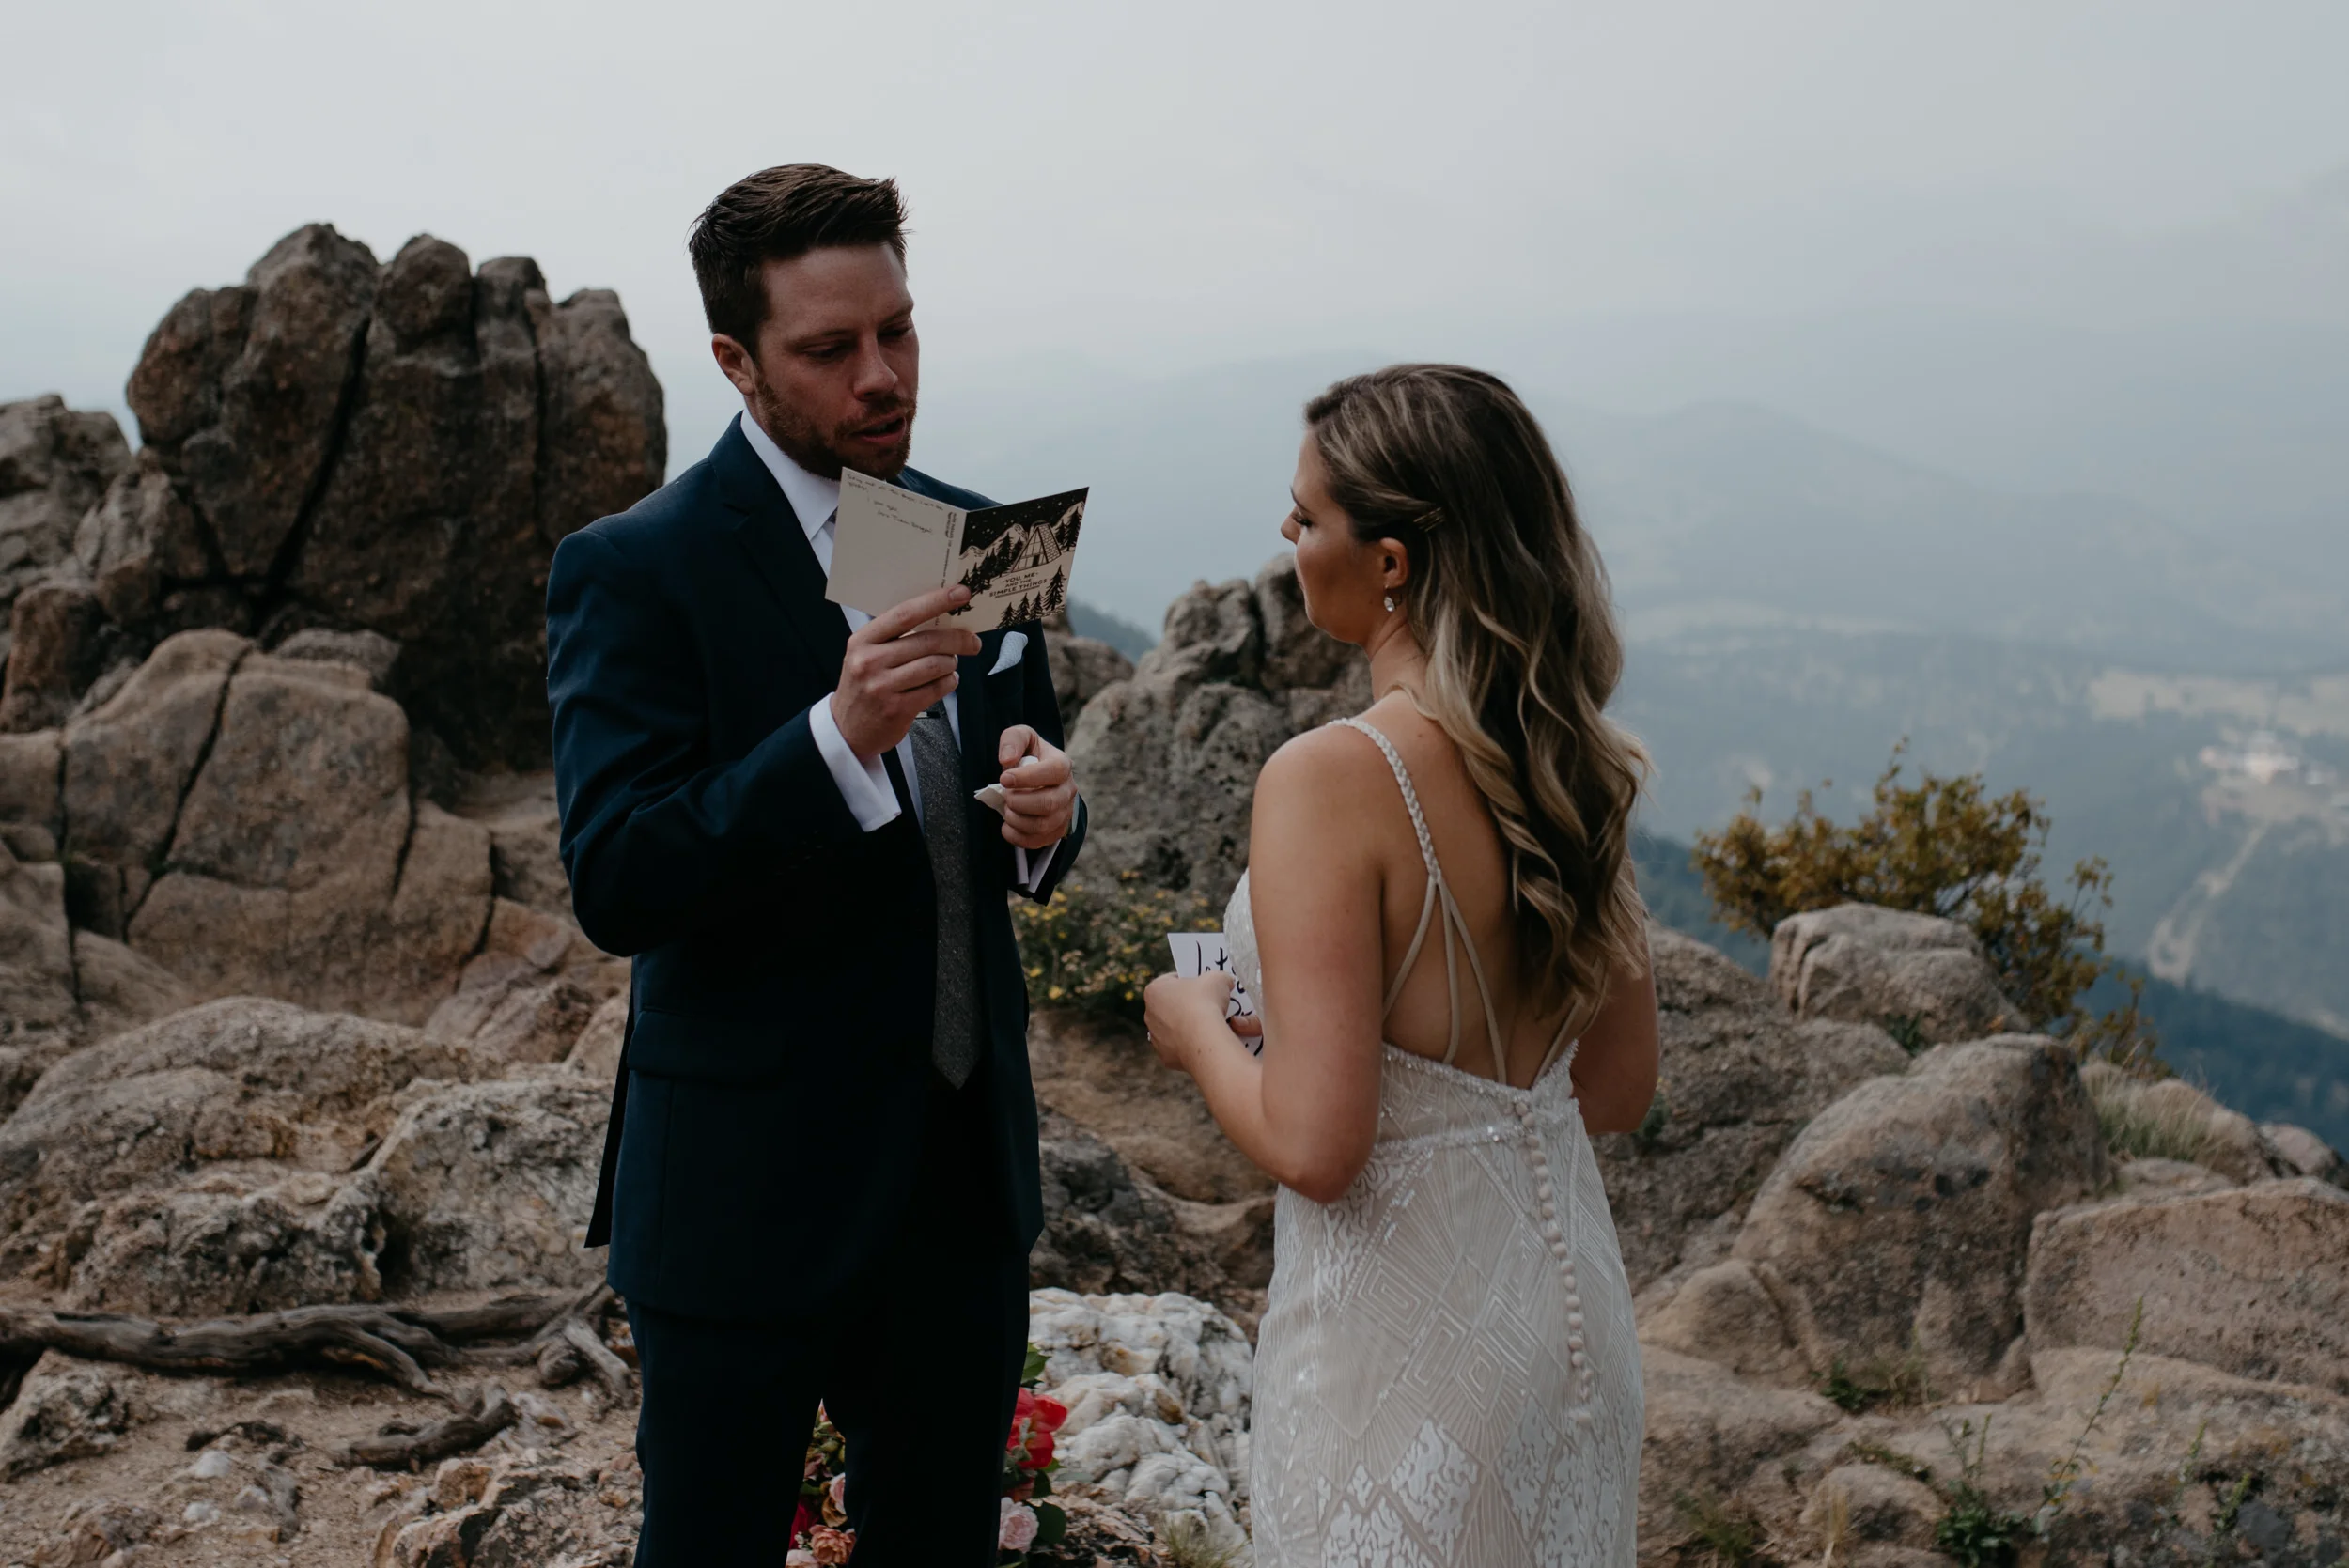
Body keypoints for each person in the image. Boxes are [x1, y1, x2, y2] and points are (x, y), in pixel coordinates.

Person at [546, 164, 1086, 1566]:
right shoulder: (635, 568)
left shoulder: (977, 529)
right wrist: (834, 737)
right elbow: (617, 876)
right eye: (831, 349)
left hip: (963, 1186)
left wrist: (1043, 818)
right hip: (744, 1195)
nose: (884, 376)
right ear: (735, 359)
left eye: (898, 330)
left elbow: (1022, 776)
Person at [1143, 365, 1659, 1564]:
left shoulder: (1329, 778)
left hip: (1397, 1352)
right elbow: (1617, 1086)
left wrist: (1195, 1027)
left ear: (1391, 562)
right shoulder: (1572, 757)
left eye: (1309, 514)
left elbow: (1320, 1148)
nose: (1287, 535)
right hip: (1568, 1330)